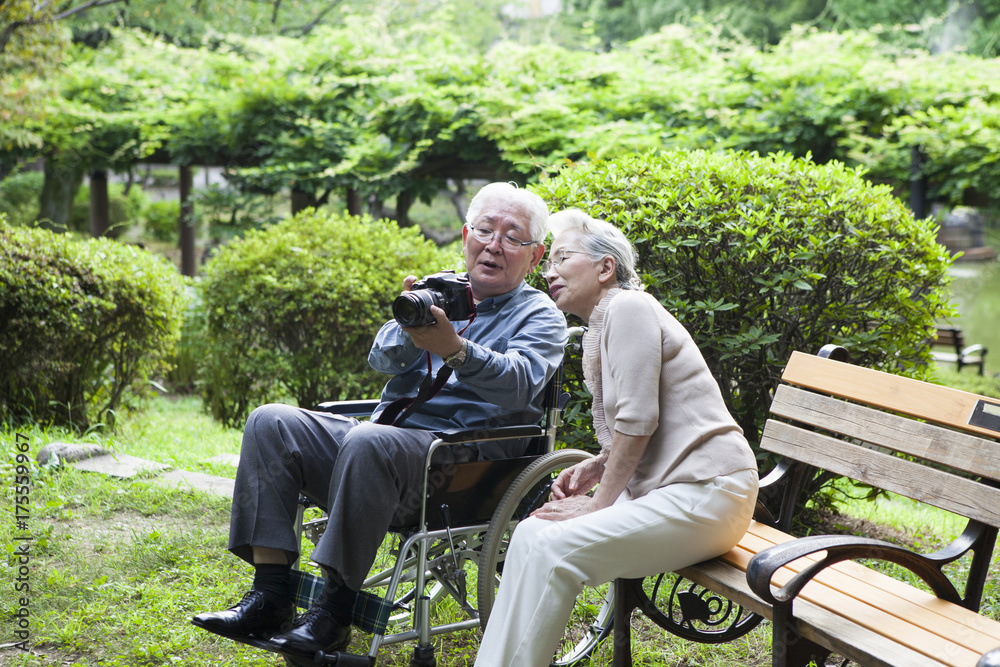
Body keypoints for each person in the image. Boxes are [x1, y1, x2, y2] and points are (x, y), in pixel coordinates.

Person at [192, 183, 568, 662]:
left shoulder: (539, 316)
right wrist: (413, 326)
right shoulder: (438, 292)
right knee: (271, 422)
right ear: (465, 234)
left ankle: (333, 614)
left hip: (455, 469)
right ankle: (270, 596)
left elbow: (521, 382)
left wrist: (456, 349)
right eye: (485, 230)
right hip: (378, 450)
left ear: (534, 257)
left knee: (369, 441)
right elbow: (381, 360)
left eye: (512, 237)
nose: (494, 245)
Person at [473, 209, 759, 666]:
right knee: (532, 532)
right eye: (550, 262)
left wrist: (597, 502)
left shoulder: (628, 306)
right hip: (677, 492)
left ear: (606, 268)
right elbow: (638, 425)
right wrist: (599, 464)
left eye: (563, 258)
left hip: (710, 493)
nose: (550, 271)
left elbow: (639, 421)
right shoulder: (606, 321)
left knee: (553, 550)